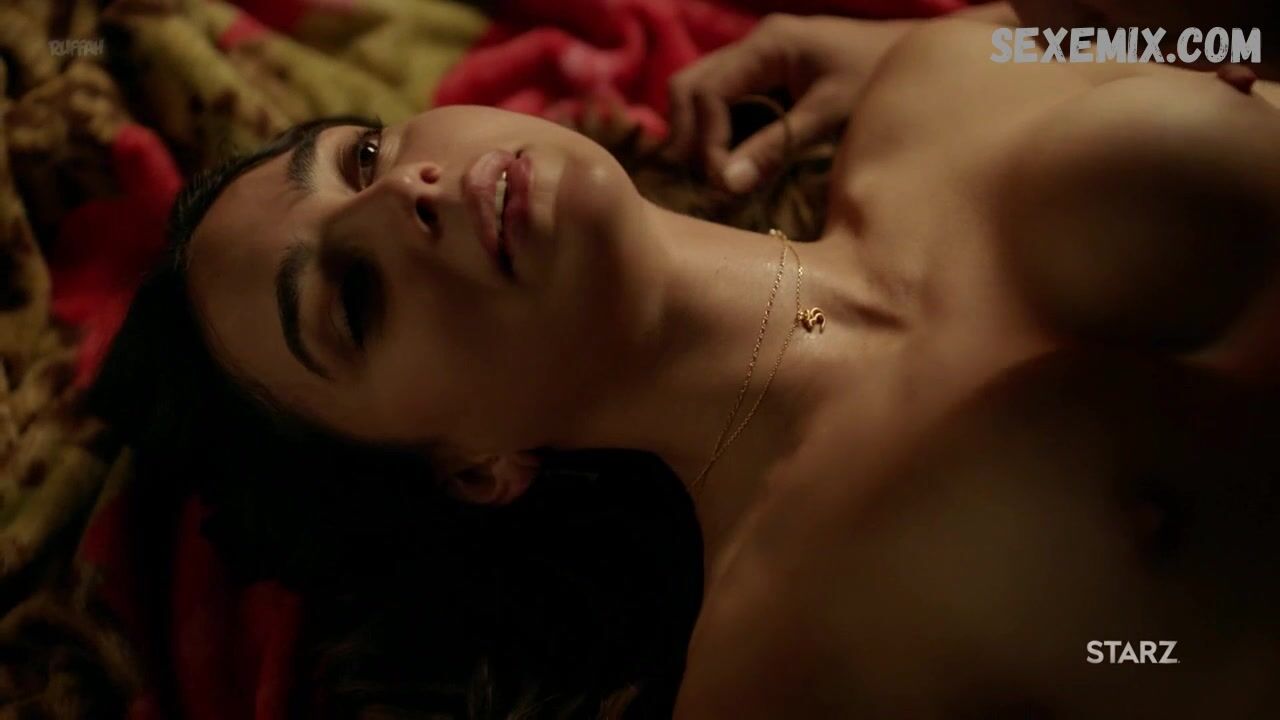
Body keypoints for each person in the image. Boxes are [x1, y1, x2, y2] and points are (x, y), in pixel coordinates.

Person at [88, 6, 1280, 719]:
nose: (406, 196)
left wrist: (974, 38)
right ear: (474, 469)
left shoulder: (935, 75)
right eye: (351, 301)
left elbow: (1228, 37)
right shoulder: (783, 666)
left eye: (360, 158)